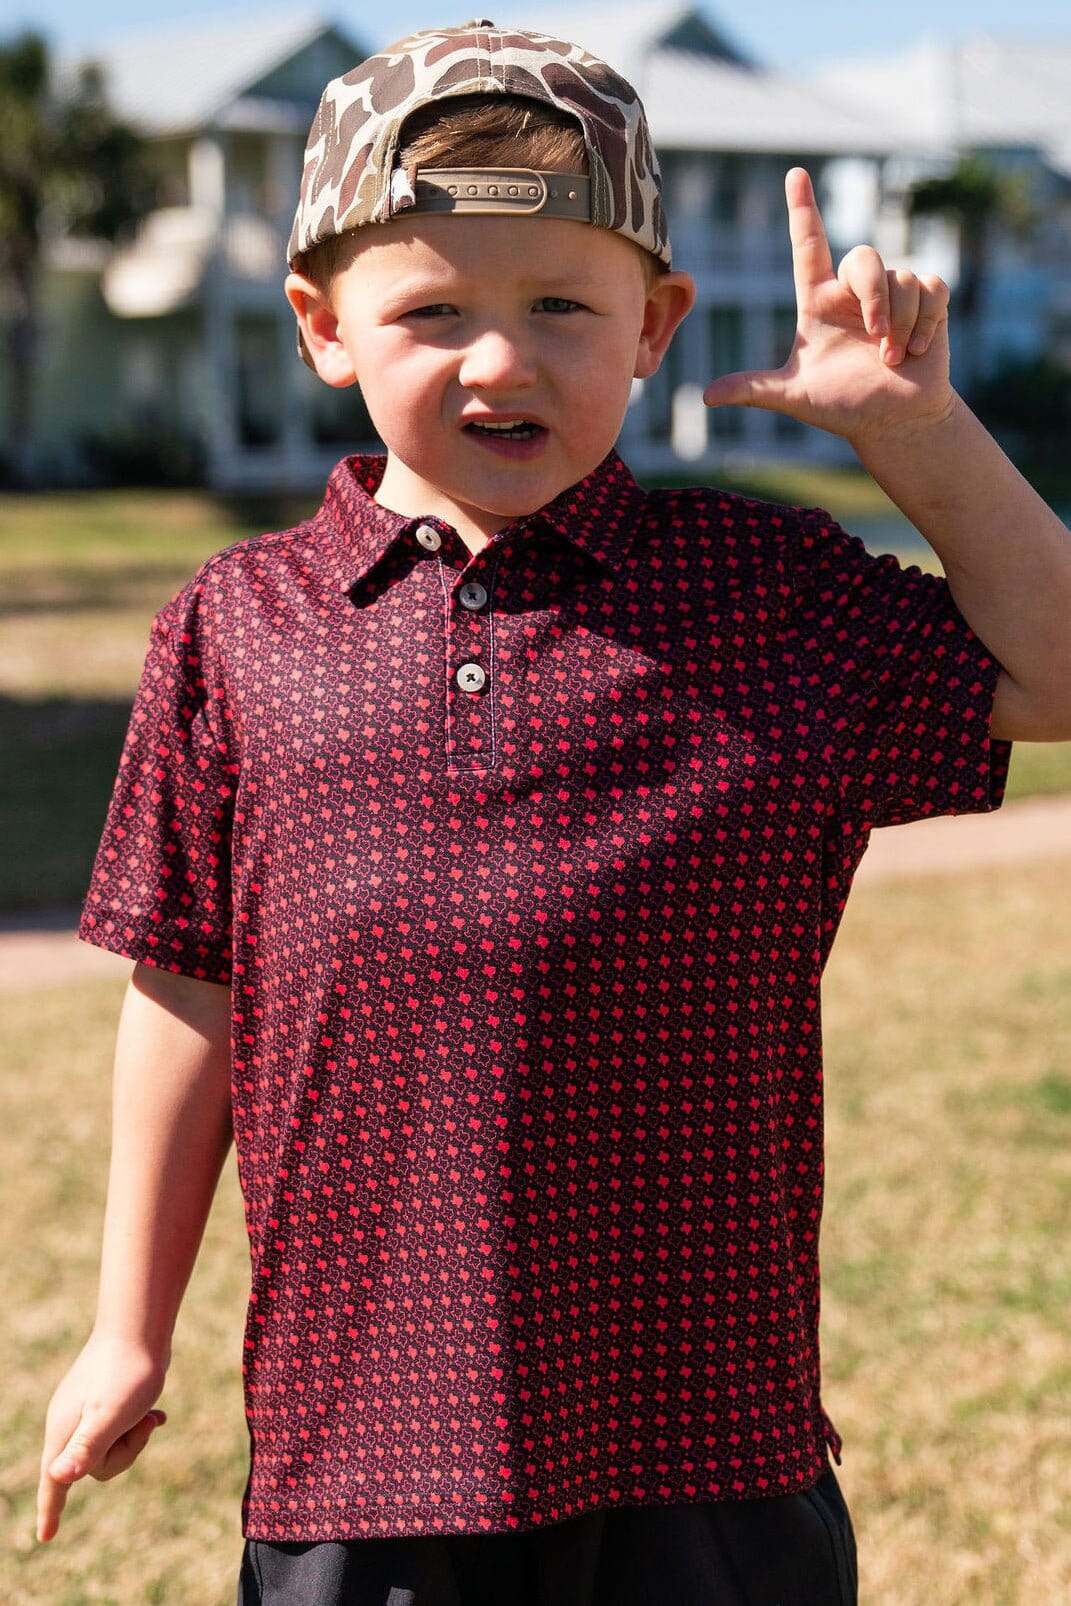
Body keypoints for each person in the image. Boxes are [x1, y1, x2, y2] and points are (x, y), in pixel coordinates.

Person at [36, 20, 1071, 1606]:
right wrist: (127, 1326)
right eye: (432, 309)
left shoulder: (765, 597)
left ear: (655, 324)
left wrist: (918, 432)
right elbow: (187, 984)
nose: (500, 360)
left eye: (561, 307)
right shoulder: (235, 629)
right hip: (366, 1450)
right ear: (322, 325)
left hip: (709, 1446)